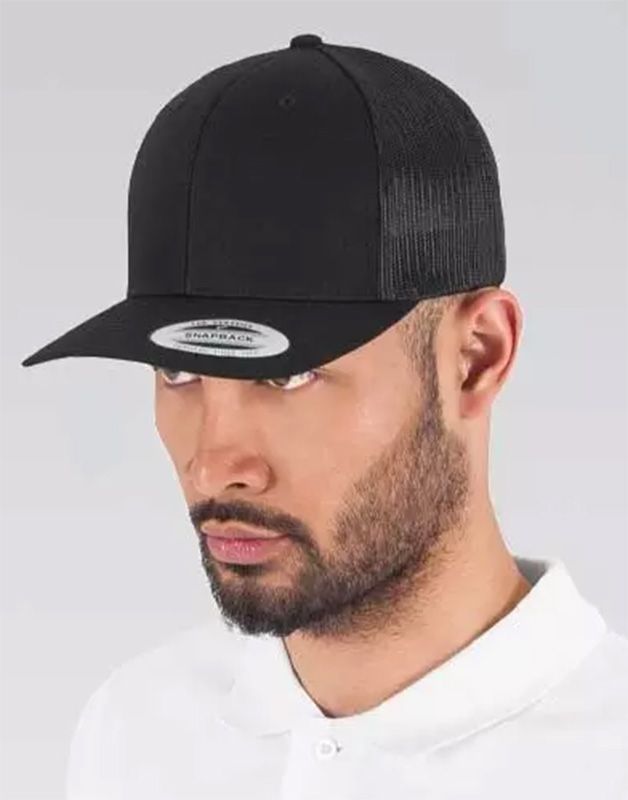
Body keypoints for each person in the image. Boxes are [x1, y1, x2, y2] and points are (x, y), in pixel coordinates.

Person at [22, 33, 627, 800]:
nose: (215, 465)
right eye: (178, 371)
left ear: (476, 356)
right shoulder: (136, 734)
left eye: (287, 375)